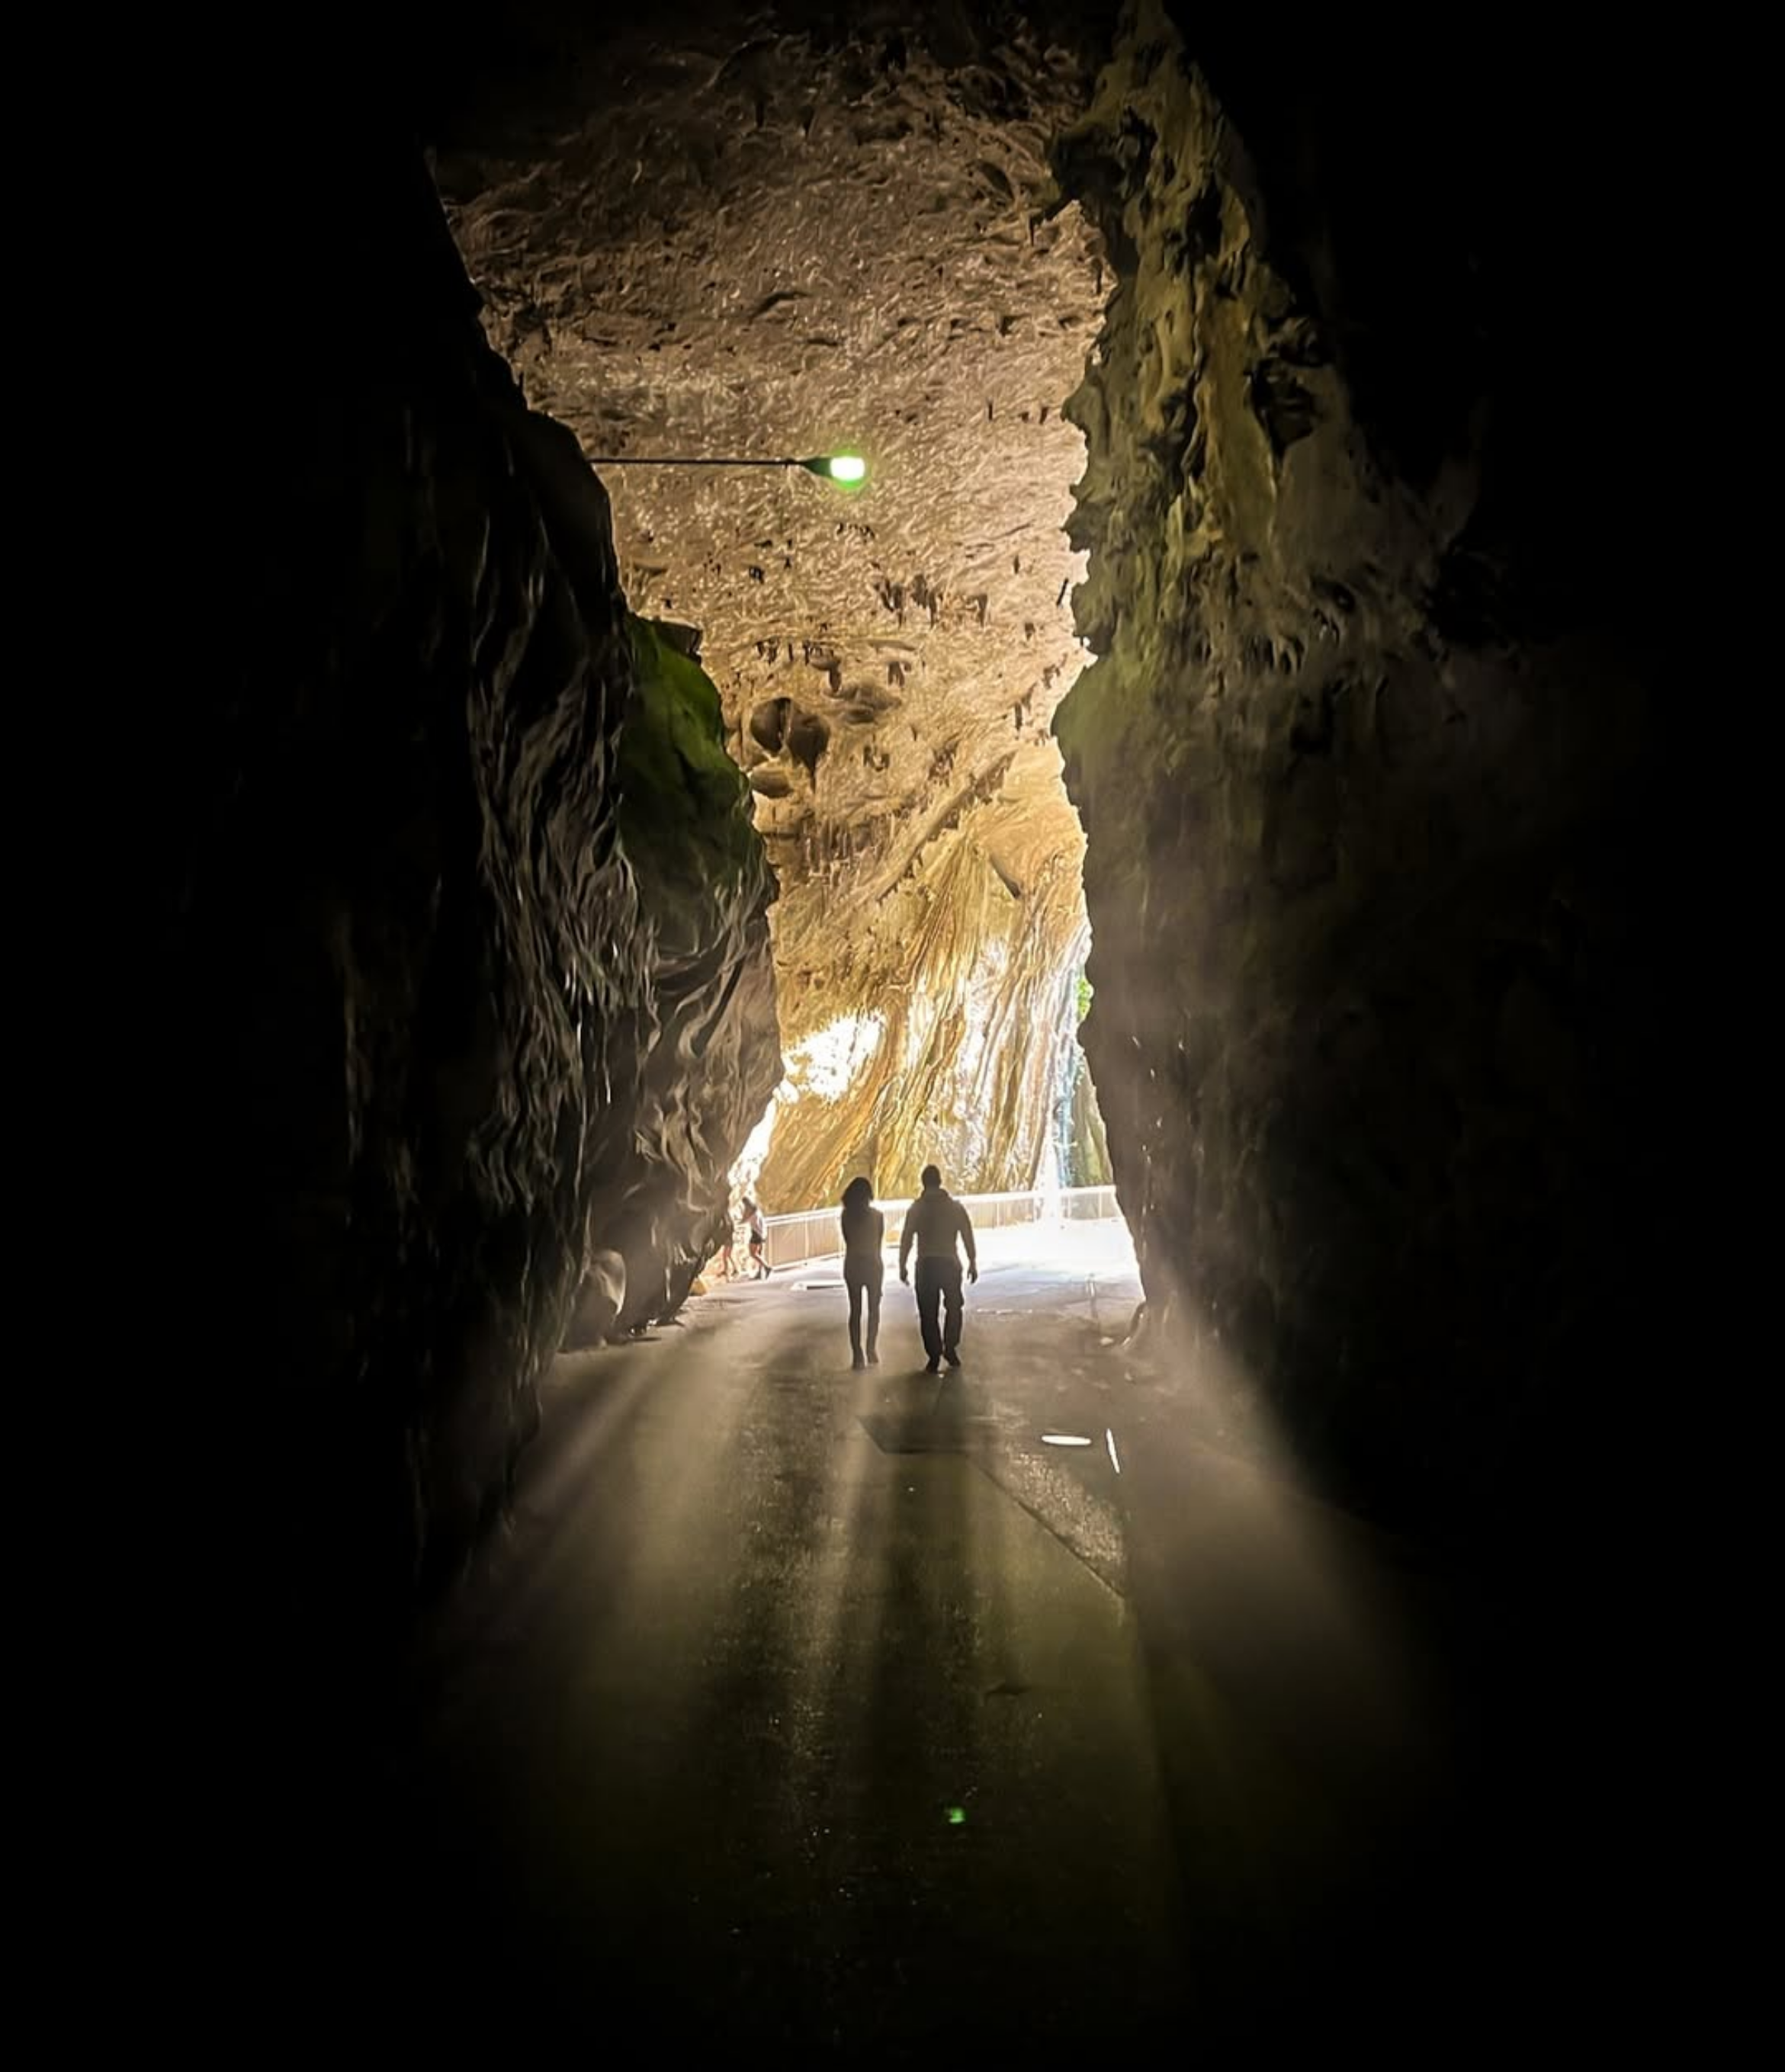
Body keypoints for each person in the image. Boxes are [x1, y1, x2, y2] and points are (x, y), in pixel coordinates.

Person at [898, 1163, 978, 1372]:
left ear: (923, 1183)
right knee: (954, 1306)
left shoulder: (916, 1208)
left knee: (928, 1312)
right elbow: (967, 1235)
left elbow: (906, 1238)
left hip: (926, 1265)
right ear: (940, 1181)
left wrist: (902, 1265)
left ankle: (933, 1355)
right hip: (950, 1264)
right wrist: (972, 1262)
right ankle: (950, 1347)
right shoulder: (955, 1207)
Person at [839, 1176, 884, 1370]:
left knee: (855, 1310)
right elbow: (878, 1242)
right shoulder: (878, 1216)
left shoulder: (846, 1216)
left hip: (853, 1264)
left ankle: (857, 1355)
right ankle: (871, 1349)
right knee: (874, 1309)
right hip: (873, 1264)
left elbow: (848, 1240)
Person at [743, 1198, 770, 1279]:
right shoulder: (757, 1211)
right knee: (759, 1254)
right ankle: (760, 1273)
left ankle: (767, 1267)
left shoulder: (750, 1213)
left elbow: (744, 1219)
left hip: (756, 1234)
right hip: (762, 1234)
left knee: (753, 1253)